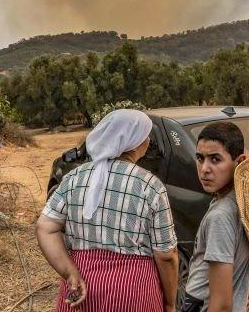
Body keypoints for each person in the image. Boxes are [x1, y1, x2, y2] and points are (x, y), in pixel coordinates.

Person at [36, 109, 179, 312]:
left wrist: (69, 273)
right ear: (136, 141)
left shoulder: (75, 178)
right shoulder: (150, 186)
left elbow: (44, 227)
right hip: (134, 291)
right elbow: (166, 255)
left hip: (83, 285)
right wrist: (170, 303)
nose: (148, 140)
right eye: (146, 135)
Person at [182, 122, 249, 312]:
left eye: (215, 159)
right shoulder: (244, 201)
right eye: (200, 158)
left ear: (239, 162)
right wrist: (243, 273)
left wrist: (243, 274)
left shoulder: (220, 217)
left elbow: (221, 306)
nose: (204, 168)